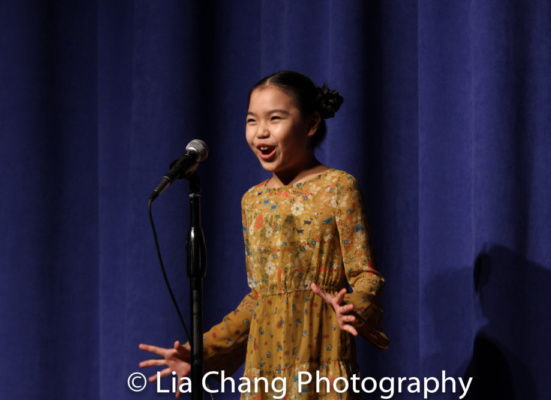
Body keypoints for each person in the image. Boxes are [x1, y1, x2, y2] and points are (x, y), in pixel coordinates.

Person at [139, 71, 389, 399]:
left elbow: (365, 275)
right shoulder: (253, 200)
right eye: (252, 121)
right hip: (265, 369)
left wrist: (354, 306)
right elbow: (258, 298)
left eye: (275, 118)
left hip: (320, 359)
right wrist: (200, 353)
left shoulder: (338, 188)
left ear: (311, 124)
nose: (261, 132)